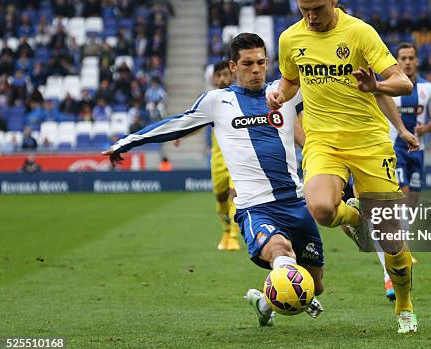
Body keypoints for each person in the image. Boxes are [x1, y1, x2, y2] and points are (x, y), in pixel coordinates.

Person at [103, 33, 325, 327]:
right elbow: (176, 125)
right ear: (233, 66)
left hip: (296, 204)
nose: (256, 69)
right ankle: (287, 285)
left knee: (315, 286)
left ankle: (263, 302)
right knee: (281, 252)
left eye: (261, 62)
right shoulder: (217, 101)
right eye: (248, 63)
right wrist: (127, 142)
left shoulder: (285, 93)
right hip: (255, 208)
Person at [266, 0, 419, 334]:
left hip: (368, 141)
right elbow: (291, 80)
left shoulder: (360, 33)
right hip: (323, 141)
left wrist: (376, 88)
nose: (311, 17)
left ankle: (404, 305)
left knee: (394, 244)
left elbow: (403, 83)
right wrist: (278, 95)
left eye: (318, 8)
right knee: (320, 208)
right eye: (304, 10)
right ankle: (353, 219)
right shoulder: (291, 39)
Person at [377, 42, 431, 300]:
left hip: (419, 151)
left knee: (412, 201)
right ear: (398, 60)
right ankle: (400, 252)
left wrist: (424, 130)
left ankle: (403, 246)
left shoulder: (427, 88)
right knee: (402, 195)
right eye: (402, 58)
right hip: (396, 150)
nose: (406, 62)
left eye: (411, 58)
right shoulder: (391, 87)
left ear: (417, 61)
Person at [208, 60, 240, 251]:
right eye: (218, 75)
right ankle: (226, 231)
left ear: (232, 75)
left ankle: (234, 236)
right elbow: (195, 123)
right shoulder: (209, 101)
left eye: (225, 75)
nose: (222, 79)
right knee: (220, 199)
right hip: (218, 158)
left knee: (235, 196)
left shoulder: (239, 97)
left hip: (236, 157)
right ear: (213, 78)